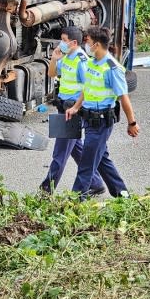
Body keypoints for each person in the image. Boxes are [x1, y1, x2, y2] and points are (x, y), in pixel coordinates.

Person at [64, 25, 140, 199]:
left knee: (87, 163)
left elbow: (124, 98)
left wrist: (132, 123)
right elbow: (87, 89)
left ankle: (75, 200)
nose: (86, 45)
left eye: (88, 41)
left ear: (96, 45)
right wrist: (76, 107)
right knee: (102, 160)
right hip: (89, 119)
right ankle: (123, 194)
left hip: (101, 122)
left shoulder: (112, 68)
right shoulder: (91, 63)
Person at [40, 26, 106, 195]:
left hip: (72, 111)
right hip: (63, 108)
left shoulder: (82, 61)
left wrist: (78, 108)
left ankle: (46, 190)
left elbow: (89, 88)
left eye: (64, 40)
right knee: (76, 149)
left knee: (60, 153)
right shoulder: (66, 57)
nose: (61, 43)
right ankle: (96, 183)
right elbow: (52, 74)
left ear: (74, 42)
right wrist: (54, 60)